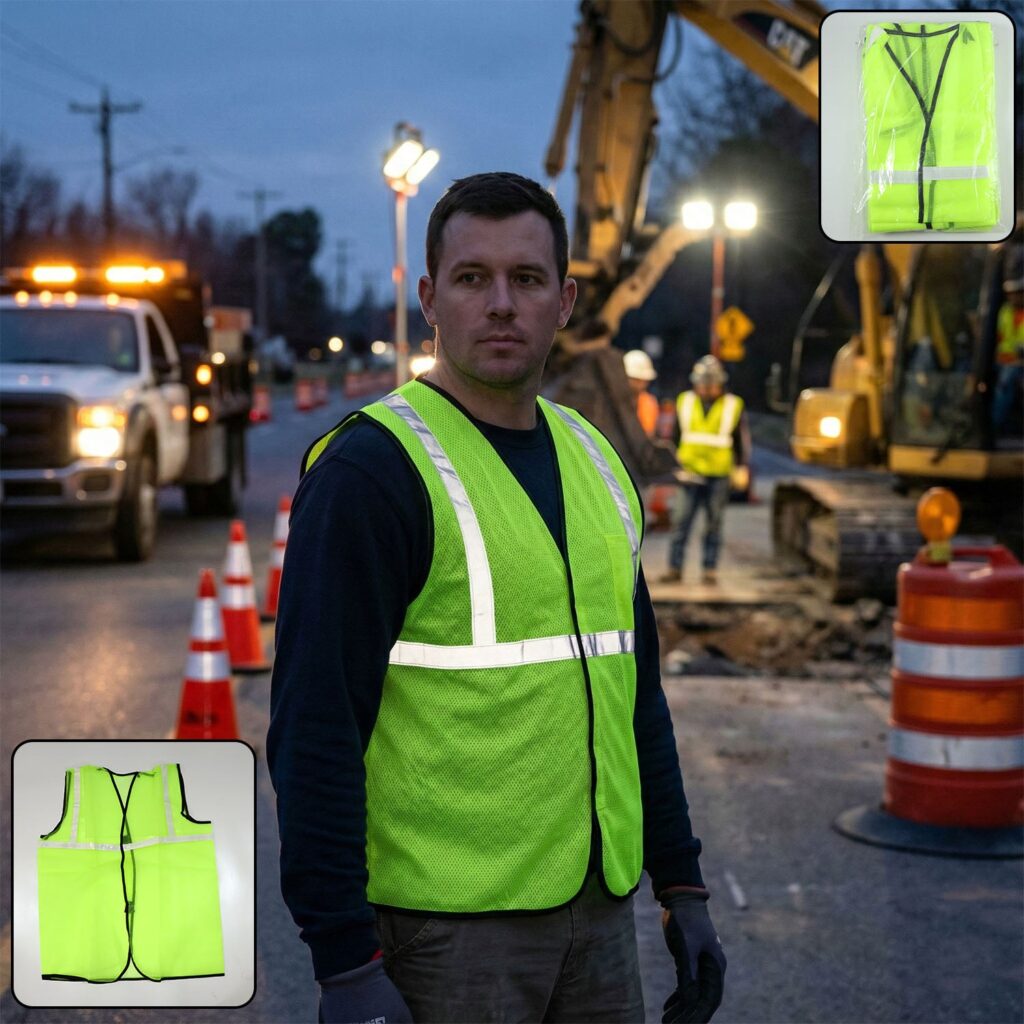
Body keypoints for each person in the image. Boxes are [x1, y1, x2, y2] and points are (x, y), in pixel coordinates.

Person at [268, 172, 726, 1024]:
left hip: (599, 920)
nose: (503, 303)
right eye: (474, 279)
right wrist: (343, 963)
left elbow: (637, 698)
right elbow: (313, 730)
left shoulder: (596, 460)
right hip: (447, 943)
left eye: (528, 278)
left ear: (566, 300)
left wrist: (682, 881)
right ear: (432, 298)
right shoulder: (372, 473)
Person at [660, 355, 750, 586]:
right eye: (702, 384)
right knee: (681, 522)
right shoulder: (684, 401)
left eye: (710, 385)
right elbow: (675, 437)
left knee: (714, 524)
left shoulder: (733, 405)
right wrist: (673, 466)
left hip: (718, 473)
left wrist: (741, 467)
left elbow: (739, 439)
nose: (706, 389)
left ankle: (709, 569)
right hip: (689, 472)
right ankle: (674, 568)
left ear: (720, 384)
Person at [992, 276, 1024, 436]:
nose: (1013, 296)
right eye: (1010, 293)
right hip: (1002, 360)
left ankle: (994, 426)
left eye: (1017, 292)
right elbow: (996, 339)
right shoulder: (1004, 312)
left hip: (1018, 365)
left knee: (1007, 379)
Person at [624, 348, 659, 437]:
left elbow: (648, 433)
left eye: (644, 380)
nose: (641, 385)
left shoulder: (648, 402)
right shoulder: (612, 400)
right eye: (636, 380)